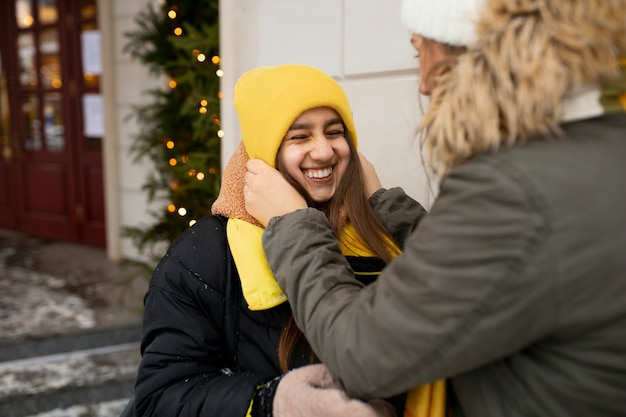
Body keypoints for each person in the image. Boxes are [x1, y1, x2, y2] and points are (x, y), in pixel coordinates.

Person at [243, 1, 626, 416]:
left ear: (475, 51)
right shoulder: (601, 146)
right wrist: (389, 207)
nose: (424, 83)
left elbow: (363, 354)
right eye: (299, 137)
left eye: (422, 51)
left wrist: (293, 224)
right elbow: (487, 279)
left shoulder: (512, 191)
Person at [133, 63, 414, 417]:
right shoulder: (204, 257)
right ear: (265, 151)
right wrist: (268, 403)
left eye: (334, 132)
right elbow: (160, 399)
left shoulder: (380, 234)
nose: (324, 151)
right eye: (299, 136)